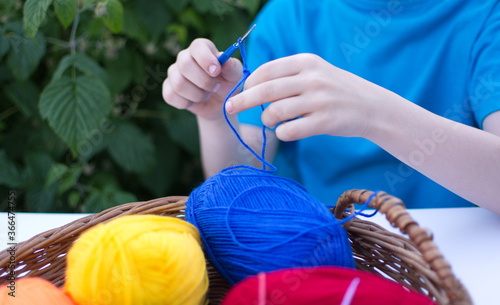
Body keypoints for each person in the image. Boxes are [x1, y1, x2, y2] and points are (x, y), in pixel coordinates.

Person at [162, 0, 500, 213]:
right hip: (324, 255)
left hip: (454, 264)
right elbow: (241, 182)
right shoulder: (289, 15)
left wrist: (374, 113)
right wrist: (218, 117)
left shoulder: (485, 15)